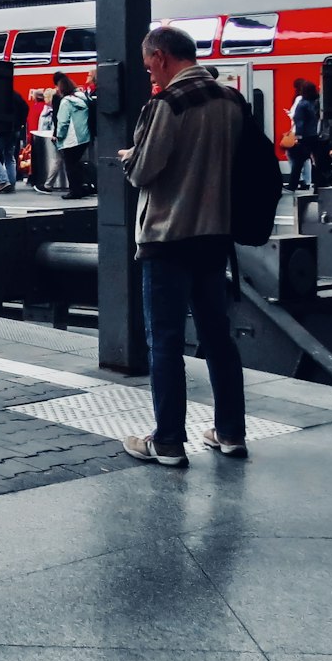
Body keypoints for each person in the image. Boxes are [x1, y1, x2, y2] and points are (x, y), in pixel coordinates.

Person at [119, 26, 247, 466]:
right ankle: (230, 433)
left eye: (149, 64)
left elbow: (143, 171)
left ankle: (168, 441)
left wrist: (128, 157)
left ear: (160, 56)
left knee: (166, 341)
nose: (150, 73)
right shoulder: (232, 100)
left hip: (168, 237)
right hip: (215, 235)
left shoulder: (167, 103)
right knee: (218, 338)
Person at [55, 75, 92, 199]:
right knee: (77, 164)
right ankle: (82, 188)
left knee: (70, 166)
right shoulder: (83, 98)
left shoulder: (66, 102)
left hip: (71, 138)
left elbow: (63, 122)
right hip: (84, 136)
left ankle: (74, 191)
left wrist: (58, 136)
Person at [285, 80, 320, 191]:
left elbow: (299, 122)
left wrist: (297, 137)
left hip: (305, 137)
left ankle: (293, 185)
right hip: (316, 135)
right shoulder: (317, 102)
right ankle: (319, 184)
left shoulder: (302, 104)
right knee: (317, 160)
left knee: (298, 162)